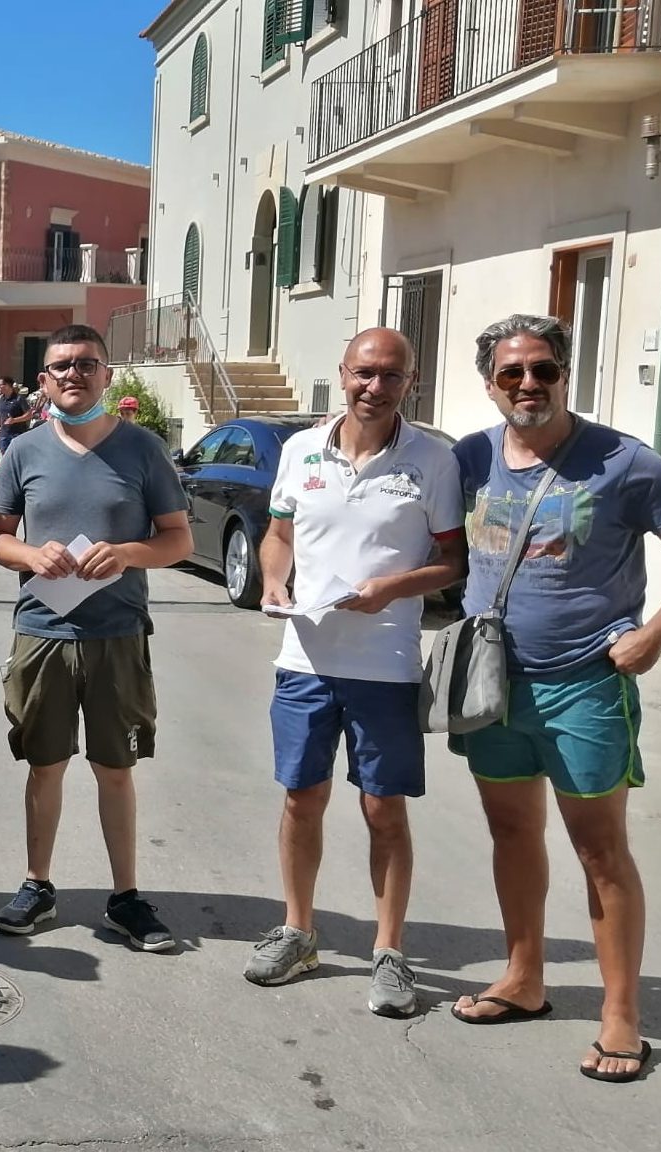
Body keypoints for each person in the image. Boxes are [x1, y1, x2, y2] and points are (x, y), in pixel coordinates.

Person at [447, 314, 661, 1083]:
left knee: (599, 850)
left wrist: (655, 633)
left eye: (542, 370)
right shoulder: (469, 457)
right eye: (510, 374)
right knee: (510, 832)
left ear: (565, 373)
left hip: (584, 685)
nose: (527, 385)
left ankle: (620, 1014)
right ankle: (523, 977)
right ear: (490, 383)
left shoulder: (622, 463)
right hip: (492, 683)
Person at [244, 329, 465, 1017]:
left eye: (390, 376)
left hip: (385, 667)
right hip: (303, 660)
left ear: (410, 382)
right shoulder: (300, 450)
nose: (374, 387)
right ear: (341, 374)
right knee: (299, 799)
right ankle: (297, 930)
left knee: (382, 811)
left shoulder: (433, 460)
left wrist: (391, 589)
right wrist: (272, 583)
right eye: (363, 374)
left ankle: (389, 954)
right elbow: (278, 535)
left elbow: (454, 562)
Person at [0, 324, 192, 949]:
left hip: (117, 635)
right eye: (61, 367)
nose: (74, 375)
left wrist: (128, 552)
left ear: (107, 375)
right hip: (43, 631)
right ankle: (37, 886)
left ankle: (125, 898)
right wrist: (30, 555)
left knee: (115, 767)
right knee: (44, 766)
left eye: (86, 365)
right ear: (44, 381)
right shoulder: (22, 449)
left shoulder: (144, 450)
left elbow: (178, 539)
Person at [0, 377, 34, 457]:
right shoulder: (0, 398)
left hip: (17, 434)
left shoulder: (19, 398)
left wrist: (14, 420)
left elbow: (29, 414)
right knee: (5, 457)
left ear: (7, 385)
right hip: (4, 434)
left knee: (17, 456)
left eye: (0, 385)